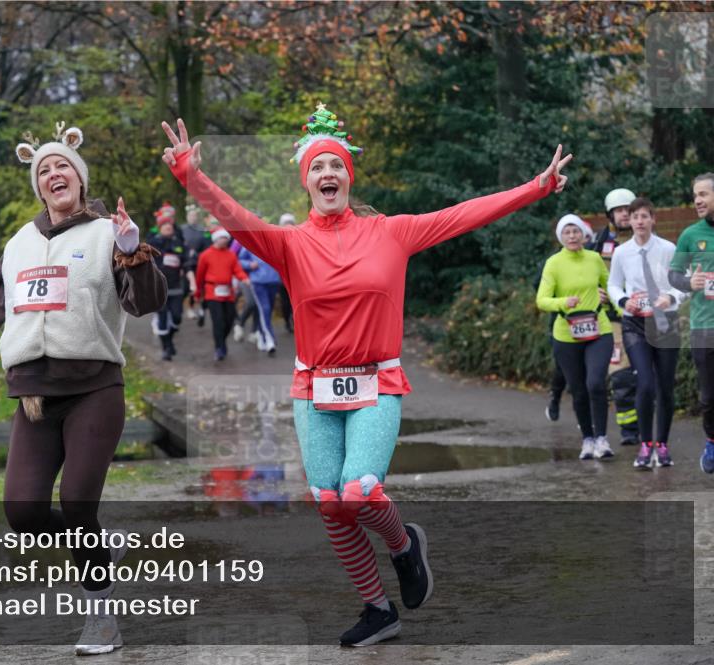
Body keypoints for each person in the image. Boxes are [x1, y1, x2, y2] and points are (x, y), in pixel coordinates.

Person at [161, 104, 571, 646]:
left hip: (377, 382)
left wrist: (536, 188)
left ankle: (404, 546)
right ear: (306, 181)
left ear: (348, 177)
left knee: (360, 491)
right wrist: (190, 176)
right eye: (316, 167)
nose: (327, 173)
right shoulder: (287, 244)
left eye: (336, 165)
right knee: (329, 499)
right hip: (314, 387)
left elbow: (464, 214)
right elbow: (232, 214)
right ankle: (378, 610)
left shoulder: (392, 232)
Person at [0, 122, 166, 655]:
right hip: (34, 397)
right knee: (22, 514)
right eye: (44, 170)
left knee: (76, 503)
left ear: (80, 177)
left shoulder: (107, 233)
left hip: (94, 390)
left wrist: (133, 251)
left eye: (62, 165)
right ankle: (97, 542)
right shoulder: (20, 243)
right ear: (39, 186)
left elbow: (146, 302)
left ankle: (102, 619)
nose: (53, 174)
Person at [607, 198, 683, 468]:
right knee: (645, 383)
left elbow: (681, 283)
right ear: (629, 221)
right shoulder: (621, 253)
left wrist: (669, 298)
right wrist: (623, 301)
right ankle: (645, 444)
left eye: (644, 216)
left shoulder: (668, 249)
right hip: (635, 324)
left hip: (665, 323)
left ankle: (662, 445)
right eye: (635, 217)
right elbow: (613, 284)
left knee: (665, 387)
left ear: (653, 220)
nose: (639, 221)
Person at [537, 214, 615, 461]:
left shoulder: (594, 258)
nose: (572, 236)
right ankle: (588, 440)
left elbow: (611, 287)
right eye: (567, 232)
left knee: (596, 383)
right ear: (561, 237)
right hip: (566, 335)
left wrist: (618, 304)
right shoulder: (554, 263)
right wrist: (563, 302)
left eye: (576, 231)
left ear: (583, 235)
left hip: (598, 329)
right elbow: (542, 300)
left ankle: (602, 438)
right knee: (579, 390)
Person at [668, 173, 714, 473]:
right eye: (695, 195)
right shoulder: (690, 235)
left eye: (703, 194)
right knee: (709, 396)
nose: (697, 200)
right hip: (704, 327)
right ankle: (712, 442)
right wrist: (690, 283)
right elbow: (673, 275)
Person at [594, 187, 640, 446]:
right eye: (619, 210)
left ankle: (648, 427)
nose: (624, 215)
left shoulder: (646, 239)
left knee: (646, 377)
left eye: (628, 210)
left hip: (645, 317)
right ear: (610, 214)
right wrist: (594, 292)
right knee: (621, 376)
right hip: (614, 320)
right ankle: (629, 431)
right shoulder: (598, 245)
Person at [195, 227, 250, 361]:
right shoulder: (206, 255)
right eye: (222, 237)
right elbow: (200, 275)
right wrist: (198, 292)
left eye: (226, 238)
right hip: (212, 293)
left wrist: (244, 278)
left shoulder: (231, 255)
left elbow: (237, 269)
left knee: (229, 321)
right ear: (216, 239)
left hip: (228, 293)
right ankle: (219, 347)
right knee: (218, 321)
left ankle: (222, 341)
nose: (225, 240)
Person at [147, 216, 188, 360]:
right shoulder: (153, 243)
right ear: (160, 228)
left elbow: (186, 261)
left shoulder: (179, 243)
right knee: (162, 317)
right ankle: (166, 347)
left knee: (177, 317)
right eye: (165, 226)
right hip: (158, 288)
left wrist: (187, 273)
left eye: (170, 226)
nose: (168, 227)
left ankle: (169, 340)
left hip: (176, 287)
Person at [238, 244, 282, 354]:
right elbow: (239, 261)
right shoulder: (250, 243)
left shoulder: (274, 243)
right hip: (258, 282)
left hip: (273, 280)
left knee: (268, 311)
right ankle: (269, 339)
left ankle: (261, 335)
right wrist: (249, 264)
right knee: (265, 309)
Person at [277, 213, 297, 332]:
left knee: (295, 301)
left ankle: (295, 321)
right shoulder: (277, 238)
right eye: (286, 223)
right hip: (282, 278)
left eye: (290, 223)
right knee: (285, 302)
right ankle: (287, 321)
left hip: (296, 278)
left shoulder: (298, 237)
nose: (288, 225)